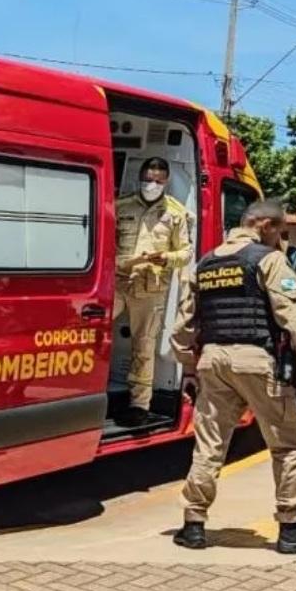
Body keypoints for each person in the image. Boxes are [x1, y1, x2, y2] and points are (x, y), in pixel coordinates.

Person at [169, 200, 296, 554]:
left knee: (209, 445)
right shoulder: (267, 259)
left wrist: (187, 366)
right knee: (290, 444)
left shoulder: (204, 263)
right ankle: (292, 526)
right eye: (280, 232)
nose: (281, 241)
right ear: (264, 224)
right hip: (257, 361)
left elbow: (182, 326)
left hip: (212, 361)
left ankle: (193, 523)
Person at [114, 157, 192, 427]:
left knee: (143, 347)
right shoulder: (121, 205)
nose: (152, 184)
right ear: (140, 177)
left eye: (158, 180)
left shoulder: (175, 212)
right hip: (117, 281)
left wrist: (166, 258)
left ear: (166, 181)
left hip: (150, 287)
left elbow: (185, 252)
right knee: (93, 337)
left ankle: (139, 405)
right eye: (148, 179)